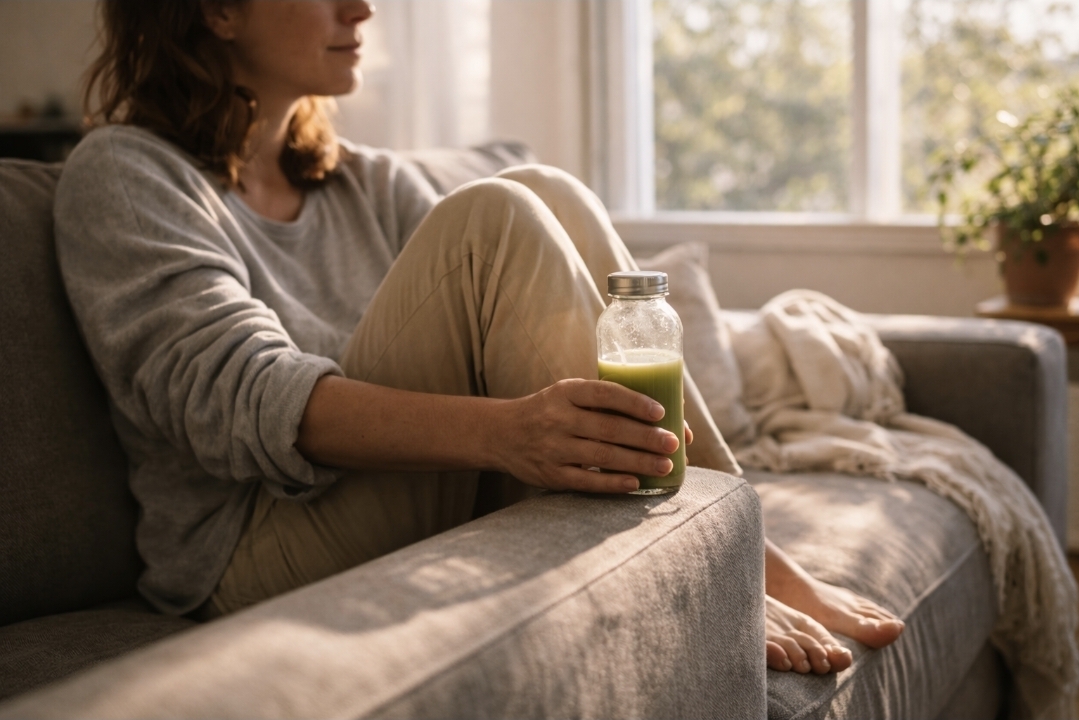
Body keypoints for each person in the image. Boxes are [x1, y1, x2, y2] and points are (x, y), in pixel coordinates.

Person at [57, 0, 903, 676]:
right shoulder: (125, 176)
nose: (361, 9)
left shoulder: (363, 181)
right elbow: (236, 398)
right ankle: (716, 558)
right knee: (495, 212)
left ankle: (736, 543)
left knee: (542, 190)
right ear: (215, 11)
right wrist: (509, 435)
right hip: (253, 548)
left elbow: (510, 312)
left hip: (406, 494)